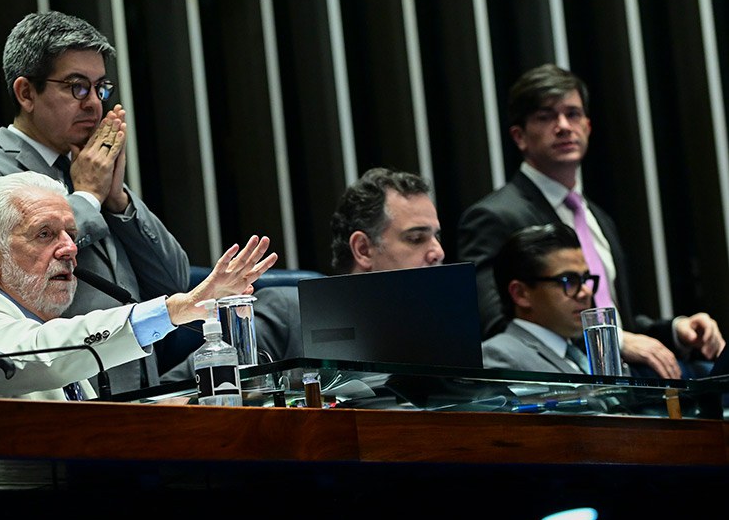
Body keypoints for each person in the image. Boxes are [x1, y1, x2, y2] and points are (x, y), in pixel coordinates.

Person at [0, 11, 188, 393]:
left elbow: (173, 281)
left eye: (100, 87)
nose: (93, 103)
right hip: (59, 390)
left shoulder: (91, 168)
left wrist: (117, 199)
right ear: (26, 93)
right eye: (76, 87)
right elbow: (6, 275)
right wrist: (88, 195)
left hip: (138, 381)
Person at [0, 172, 277, 400]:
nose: (68, 249)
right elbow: (44, 356)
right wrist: (175, 309)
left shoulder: (34, 327)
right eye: (45, 234)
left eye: (71, 234)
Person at [457, 63, 724, 378]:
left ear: (587, 125)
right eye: (545, 117)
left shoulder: (596, 216)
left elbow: (616, 320)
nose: (563, 126)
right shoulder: (493, 216)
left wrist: (678, 330)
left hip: (627, 373)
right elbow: (502, 328)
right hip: (568, 384)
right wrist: (612, 341)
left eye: (572, 114)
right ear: (519, 136)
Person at [159, 167, 445, 381]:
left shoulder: (438, 327)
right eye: (416, 238)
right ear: (363, 249)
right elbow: (171, 396)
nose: (438, 252)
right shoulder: (288, 313)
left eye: (436, 237)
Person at [482, 223, 600, 374]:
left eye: (585, 279)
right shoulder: (499, 356)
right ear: (521, 294)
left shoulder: (583, 352)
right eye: (568, 281)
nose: (586, 292)